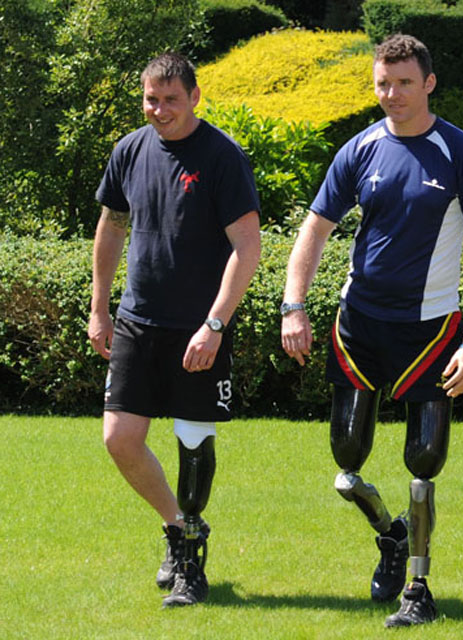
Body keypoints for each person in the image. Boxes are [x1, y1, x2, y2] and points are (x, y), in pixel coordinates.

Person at [280, 33, 463, 628]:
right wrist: (293, 305)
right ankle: (391, 535)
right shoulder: (359, 149)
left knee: (424, 457)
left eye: (404, 83)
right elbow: (315, 230)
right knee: (346, 461)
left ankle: (419, 590)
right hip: (358, 326)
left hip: (431, 330)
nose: (392, 94)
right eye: (383, 82)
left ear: (428, 83)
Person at [87, 52, 261, 608]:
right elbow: (111, 228)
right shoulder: (130, 150)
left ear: (194, 97)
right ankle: (179, 527)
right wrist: (99, 306)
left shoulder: (222, 156)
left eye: (170, 99)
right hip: (138, 320)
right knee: (119, 439)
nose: (158, 110)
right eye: (150, 99)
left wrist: (215, 324)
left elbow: (247, 247)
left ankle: (189, 567)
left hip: (198, 327)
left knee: (192, 445)